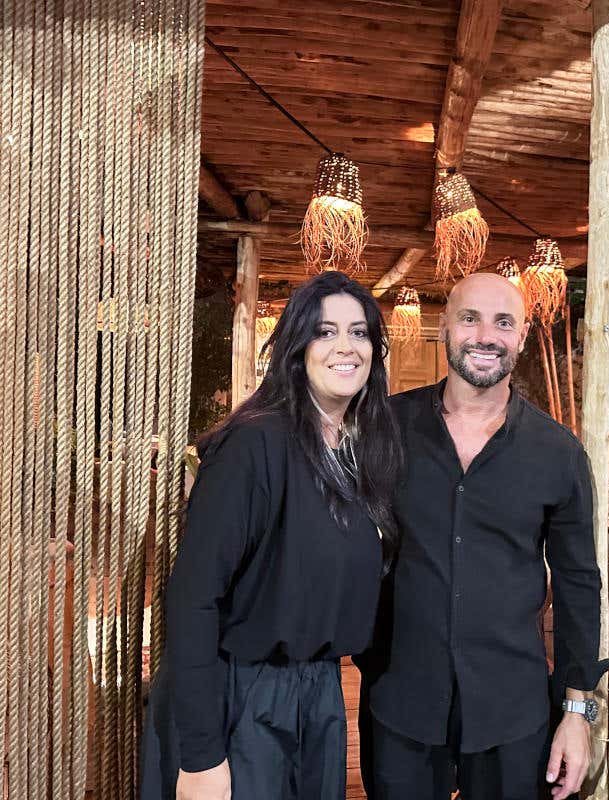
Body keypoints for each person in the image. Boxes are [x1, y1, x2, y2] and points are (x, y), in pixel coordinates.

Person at [141, 270, 402, 800]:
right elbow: (193, 599)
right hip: (241, 696)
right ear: (296, 348)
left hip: (320, 694)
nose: (345, 347)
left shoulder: (362, 451)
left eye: (359, 332)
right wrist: (201, 755)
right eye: (325, 332)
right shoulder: (253, 444)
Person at [362, 272, 609, 800]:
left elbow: (578, 585)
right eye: (470, 319)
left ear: (521, 336)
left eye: (503, 323)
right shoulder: (385, 428)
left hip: (512, 712)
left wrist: (576, 713)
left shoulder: (558, 453)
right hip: (401, 701)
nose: (485, 336)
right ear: (445, 327)